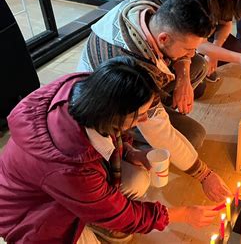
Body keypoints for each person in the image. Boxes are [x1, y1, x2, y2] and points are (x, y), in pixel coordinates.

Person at [0, 57, 219, 243]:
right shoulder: (70, 166)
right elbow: (123, 215)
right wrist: (183, 214)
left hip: (49, 184)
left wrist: (129, 151)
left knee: (136, 179)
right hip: (30, 216)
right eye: (139, 115)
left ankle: (92, 214)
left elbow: (116, 132)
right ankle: (93, 221)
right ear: (114, 116)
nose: (143, 120)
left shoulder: (84, 88)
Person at [77, 0, 232, 203]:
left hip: (136, 86)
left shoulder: (148, 7)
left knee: (197, 65)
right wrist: (204, 175)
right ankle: (136, 133)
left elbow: (184, 54)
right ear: (163, 39)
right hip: (111, 106)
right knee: (194, 137)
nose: (193, 52)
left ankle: (151, 113)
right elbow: (161, 134)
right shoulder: (136, 68)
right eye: (188, 48)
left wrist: (183, 77)